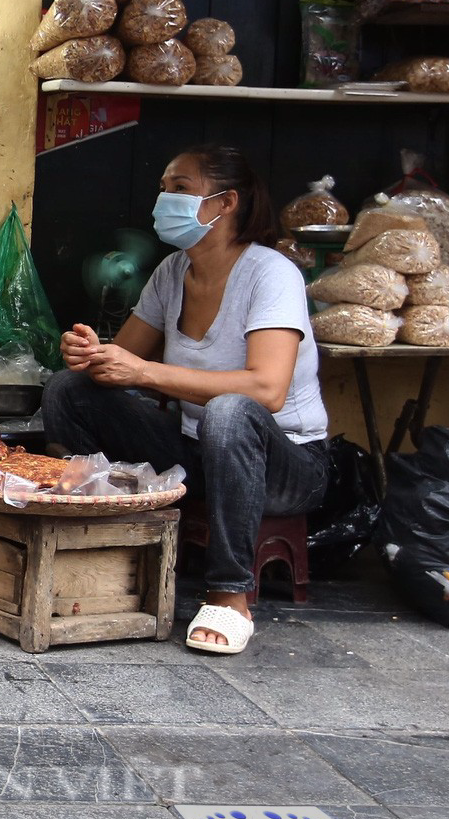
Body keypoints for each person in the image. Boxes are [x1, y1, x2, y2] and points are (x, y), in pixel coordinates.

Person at [41, 144, 329, 655]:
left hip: (287, 464)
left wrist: (145, 371)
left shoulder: (271, 274)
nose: (164, 200)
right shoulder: (173, 272)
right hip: (197, 449)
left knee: (231, 410)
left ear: (225, 203)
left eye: (180, 189)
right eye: (163, 188)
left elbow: (268, 389)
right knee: (70, 391)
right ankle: (102, 547)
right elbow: (120, 364)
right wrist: (90, 355)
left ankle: (230, 595)